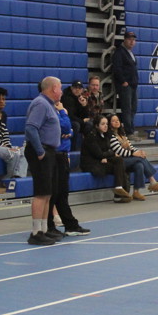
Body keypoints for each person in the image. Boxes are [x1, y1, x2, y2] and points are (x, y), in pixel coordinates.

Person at [24, 77, 65, 246]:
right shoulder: (41, 104)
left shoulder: (49, 105)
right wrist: (40, 151)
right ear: (54, 88)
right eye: (60, 88)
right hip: (42, 151)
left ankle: (44, 229)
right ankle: (36, 232)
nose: (61, 92)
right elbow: (30, 127)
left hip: (50, 150)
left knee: (48, 192)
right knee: (41, 192)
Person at [47, 97, 90, 237]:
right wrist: (63, 113)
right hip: (55, 155)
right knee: (54, 192)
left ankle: (70, 224)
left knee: (62, 192)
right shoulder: (51, 110)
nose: (61, 94)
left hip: (64, 154)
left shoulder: (58, 110)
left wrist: (68, 131)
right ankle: (49, 225)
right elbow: (65, 127)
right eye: (58, 90)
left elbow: (69, 131)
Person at [108, 114, 158, 200]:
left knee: (139, 165)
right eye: (113, 121)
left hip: (127, 159)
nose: (116, 122)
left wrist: (139, 152)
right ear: (109, 124)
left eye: (117, 120)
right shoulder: (111, 136)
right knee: (139, 159)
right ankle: (152, 181)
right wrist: (134, 154)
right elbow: (119, 151)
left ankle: (136, 192)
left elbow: (131, 147)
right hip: (118, 161)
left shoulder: (122, 134)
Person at [80, 115, 131, 202]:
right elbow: (99, 154)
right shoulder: (91, 137)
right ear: (96, 125)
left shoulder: (105, 135)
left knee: (119, 161)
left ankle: (119, 188)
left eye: (107, 124)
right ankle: (119, 194)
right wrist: (109, 154)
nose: (106, 126)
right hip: (91, 164)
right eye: (103, 124)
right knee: (119, 167)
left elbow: (105, 152)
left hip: (100, 160)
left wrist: (105, 156)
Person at [111, 30, 139, 137]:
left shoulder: (130, 53)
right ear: (125, 40)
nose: (132, 42)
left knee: (133, 108)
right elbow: (117, 68)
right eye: (129, 39)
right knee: (127, 108)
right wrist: (123, 81)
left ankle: (130, 127)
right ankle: (128, 131)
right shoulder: (119, 52)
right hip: (126, 86)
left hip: (133, 85)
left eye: (133, 40)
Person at [60, 79, 88, 151]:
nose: (77, 90)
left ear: (82, 90)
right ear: (71, 88)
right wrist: (82, 121)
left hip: (76, 120)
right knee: (76, 125)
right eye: (75, 88)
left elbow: (84, 116)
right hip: (66, 120)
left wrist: (84, 106)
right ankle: (73, 150)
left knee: (89, 124)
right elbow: (70, 116)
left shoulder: (80, 98)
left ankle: (87, 149)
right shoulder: (67, 98)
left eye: (79, 88)